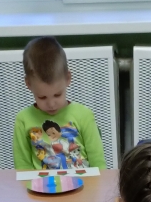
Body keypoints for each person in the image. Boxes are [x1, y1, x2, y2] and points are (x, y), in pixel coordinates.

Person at [13, 37, 105, 172]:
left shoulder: (84, 115)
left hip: (83, 183)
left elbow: (98, 162)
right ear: (28, 84)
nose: (51, 104)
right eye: (42, 97)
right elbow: (22, 167)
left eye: (57, 95)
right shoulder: (23, 120)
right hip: (42, 184)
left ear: (68, 78)